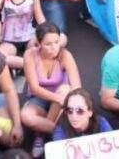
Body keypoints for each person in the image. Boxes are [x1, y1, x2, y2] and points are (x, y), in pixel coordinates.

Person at [21, 21, 80, 153]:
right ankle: (60, 131)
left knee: (65, 89)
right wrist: (57, 98)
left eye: (56, 42)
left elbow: (76, 86)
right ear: (39, 43)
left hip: (63, 101)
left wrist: (67, 103)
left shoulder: (65, 55)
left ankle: (40, 134)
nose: (54, 47)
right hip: (39, 98)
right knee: (25, 116)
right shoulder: (30, 55)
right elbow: (35, 88)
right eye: (48, 44)